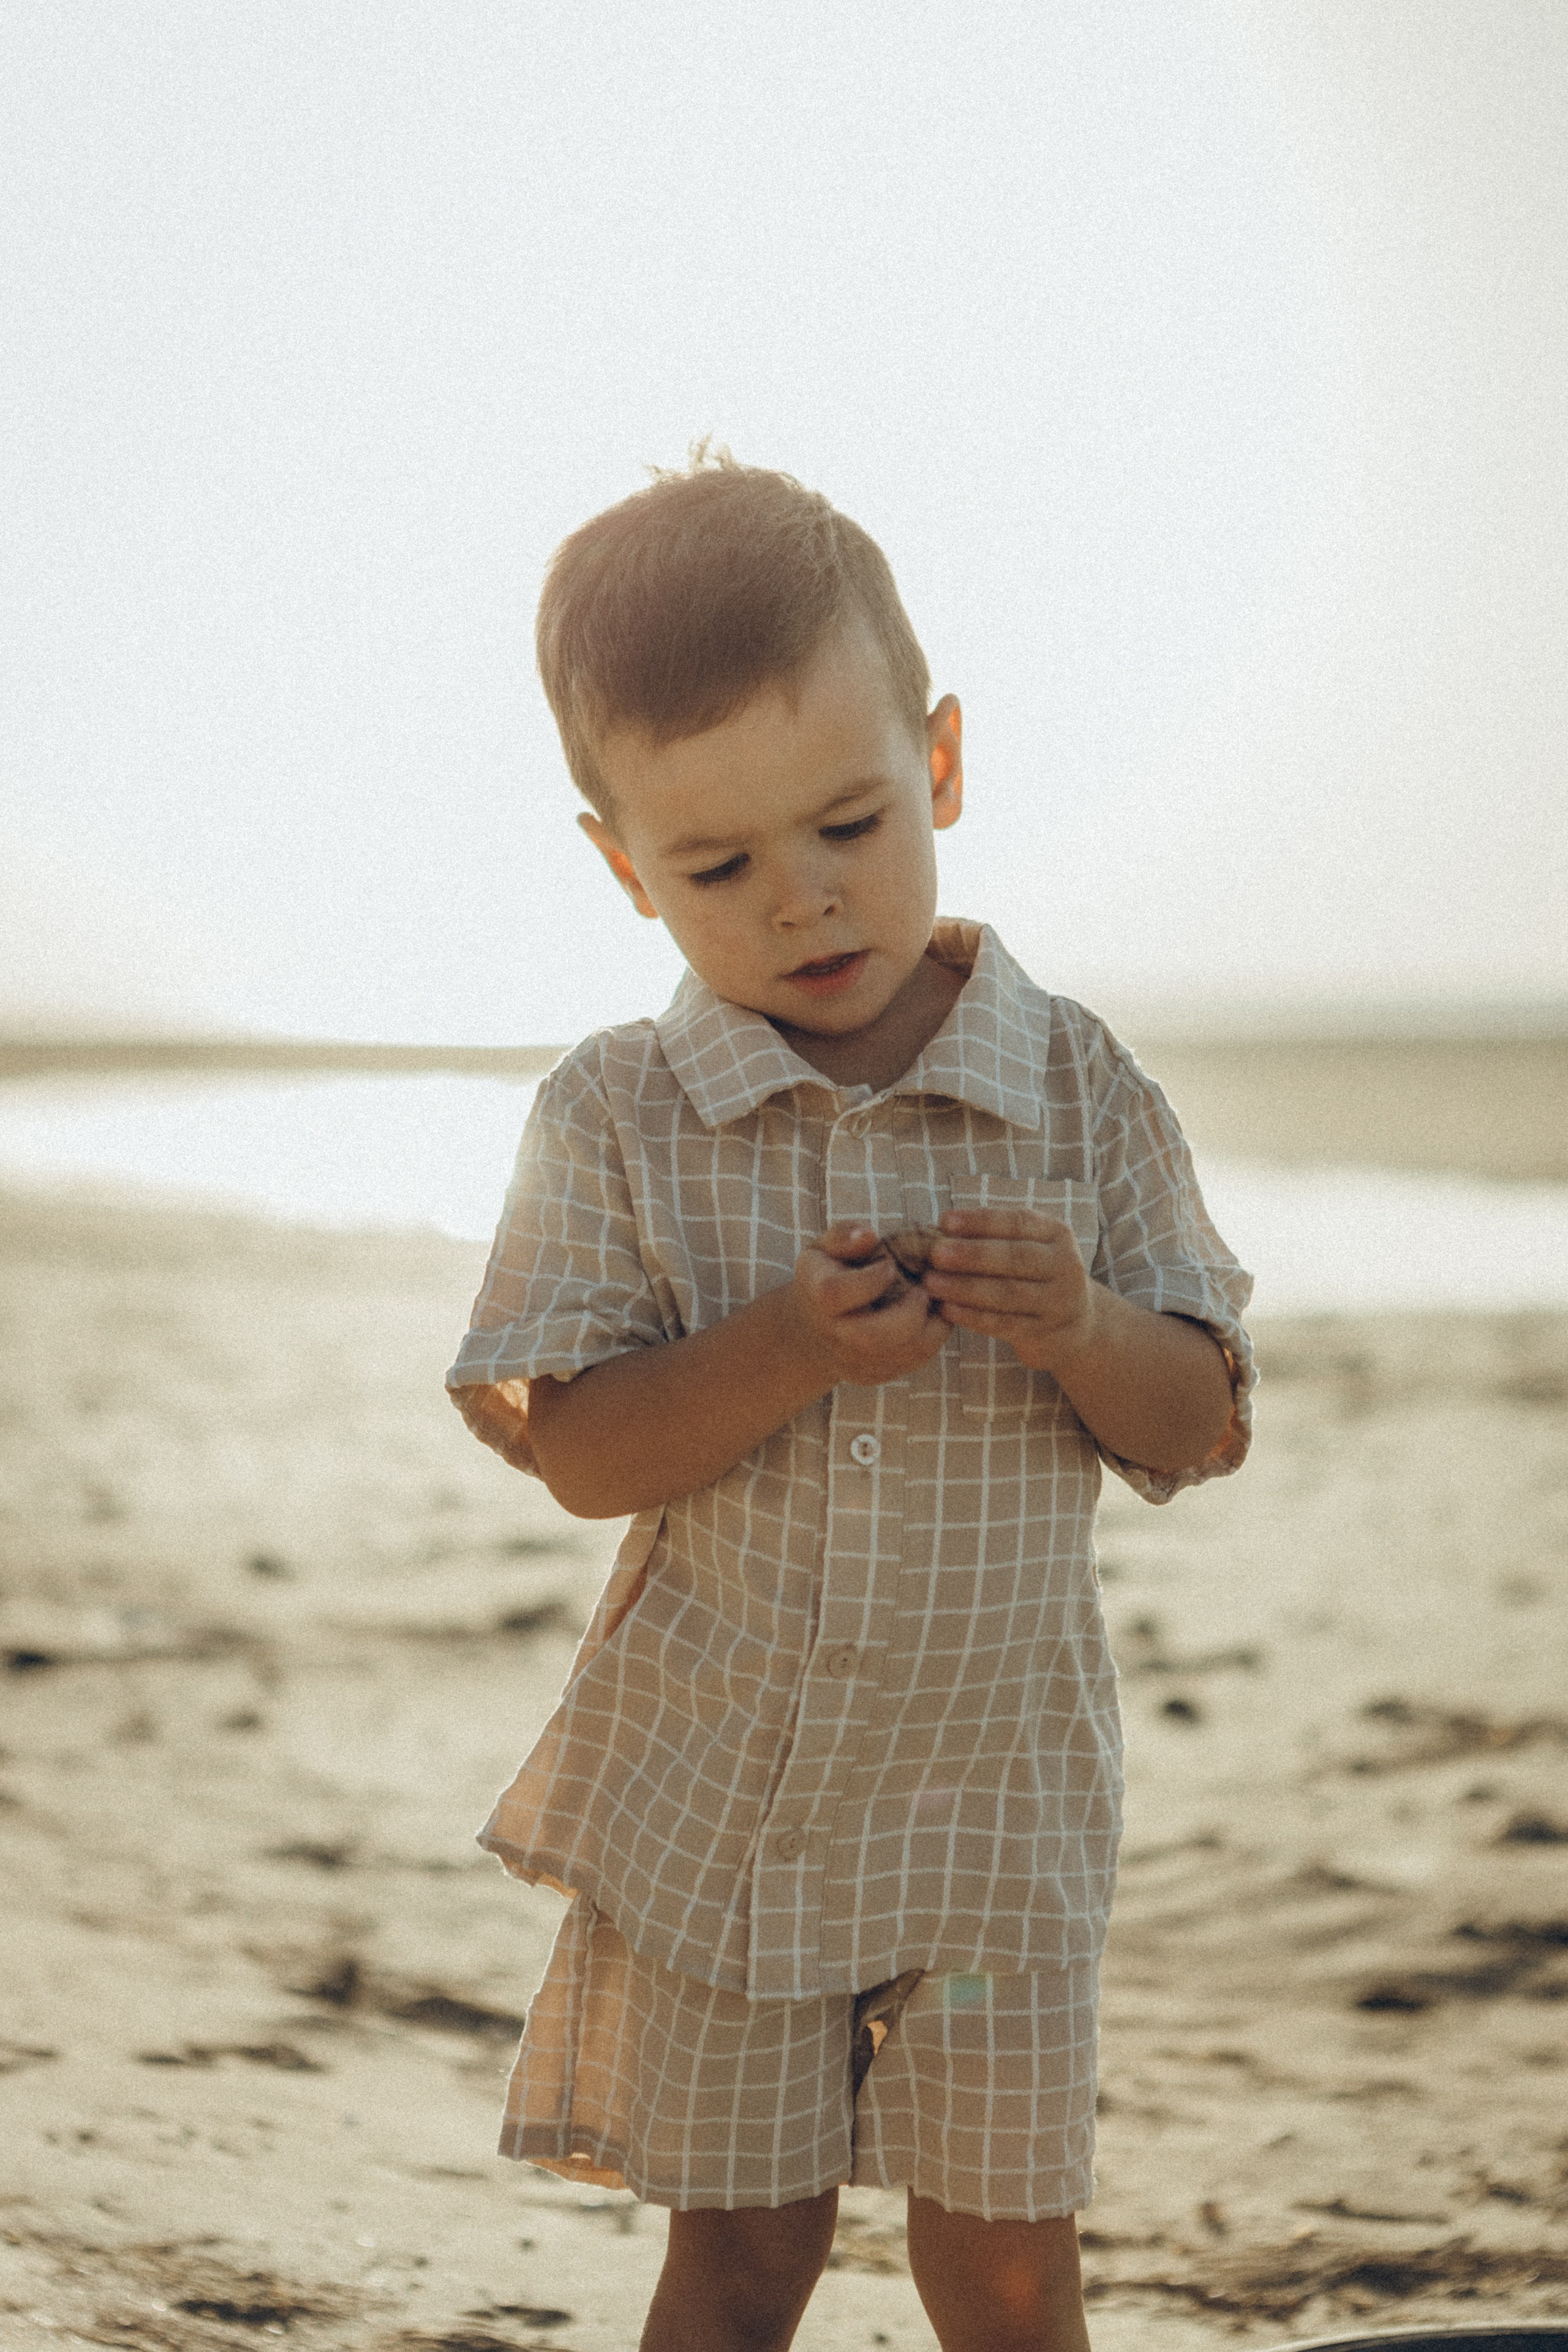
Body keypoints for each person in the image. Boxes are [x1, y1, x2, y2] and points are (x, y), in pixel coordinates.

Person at [447, 449, 1254, 2352]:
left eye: (852, 826)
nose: (803, 902)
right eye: (718, 868)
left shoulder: (1080, 1088)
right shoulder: (616, 1117)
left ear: (944, 766)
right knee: (740, 2255)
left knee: (1003, 2261)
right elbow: (573, 1451)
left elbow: (1199, 1422)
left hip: (991, 1842)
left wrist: (1078, 1327)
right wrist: (783, 1347)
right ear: (622, 863)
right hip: (729, 1831)